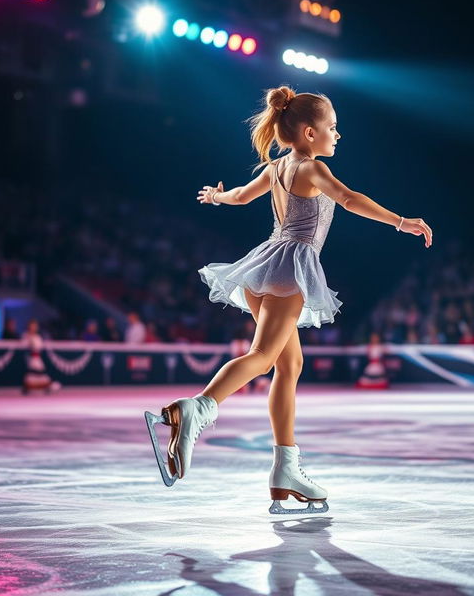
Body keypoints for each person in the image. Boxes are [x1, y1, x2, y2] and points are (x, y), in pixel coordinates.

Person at [144, 85, 433, 514]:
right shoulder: (310, 169)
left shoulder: (276, 168)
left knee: (289, 364)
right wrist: (400, 221)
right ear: (309, 132)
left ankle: (286, 468)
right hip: (289, 268)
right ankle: (196, 408)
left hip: (263, 266)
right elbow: (350, 199)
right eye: (332, 128)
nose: (338, 134)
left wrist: (218, 196)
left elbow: (241, 196)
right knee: (262, 355)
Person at [21, 319, 61, 395]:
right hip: (30, 359)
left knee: (42, 375)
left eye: (35, 326)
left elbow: (39, 347)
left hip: (37, 359)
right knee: (31, 376)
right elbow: (24, 345)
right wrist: (29, 341)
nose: (34, 327)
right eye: (32, 326)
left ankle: (44, 387)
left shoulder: (38, 337)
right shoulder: (26, 335)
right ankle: (30, 388)